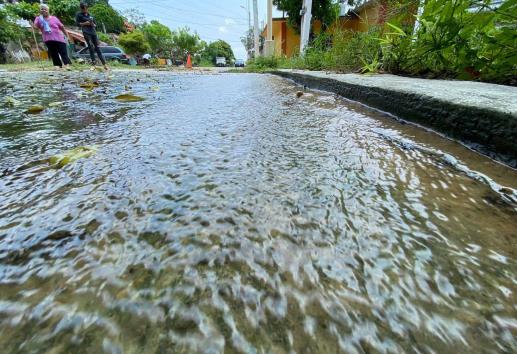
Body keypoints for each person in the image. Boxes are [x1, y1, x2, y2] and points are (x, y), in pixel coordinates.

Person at [33, 4, 71, 70]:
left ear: (48, 10)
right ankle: (57, 65)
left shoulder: (54, 18)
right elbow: (35, 27)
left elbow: (62, 27)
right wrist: (36, 23)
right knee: (53, 53)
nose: (43, 10)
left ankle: (67, 64)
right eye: (42, 9)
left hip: (59, 38)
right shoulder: (38, 19)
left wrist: (67, 36)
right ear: (40, 11)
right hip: (48, 39)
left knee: (63, 52)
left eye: (45, 9)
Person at [76, 2, 108, 70]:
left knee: (97, 48)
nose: (85, 10)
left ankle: (104, 64)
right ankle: (93, 64)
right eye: (83, 9)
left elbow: (95, 25)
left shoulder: (90, 15)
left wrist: (92, 24)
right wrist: (85, 23)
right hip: (86, 32)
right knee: (90, 47)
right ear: (81, 8)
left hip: (93, 32)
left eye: (86, 8)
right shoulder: (79, 15)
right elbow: (77, 24)